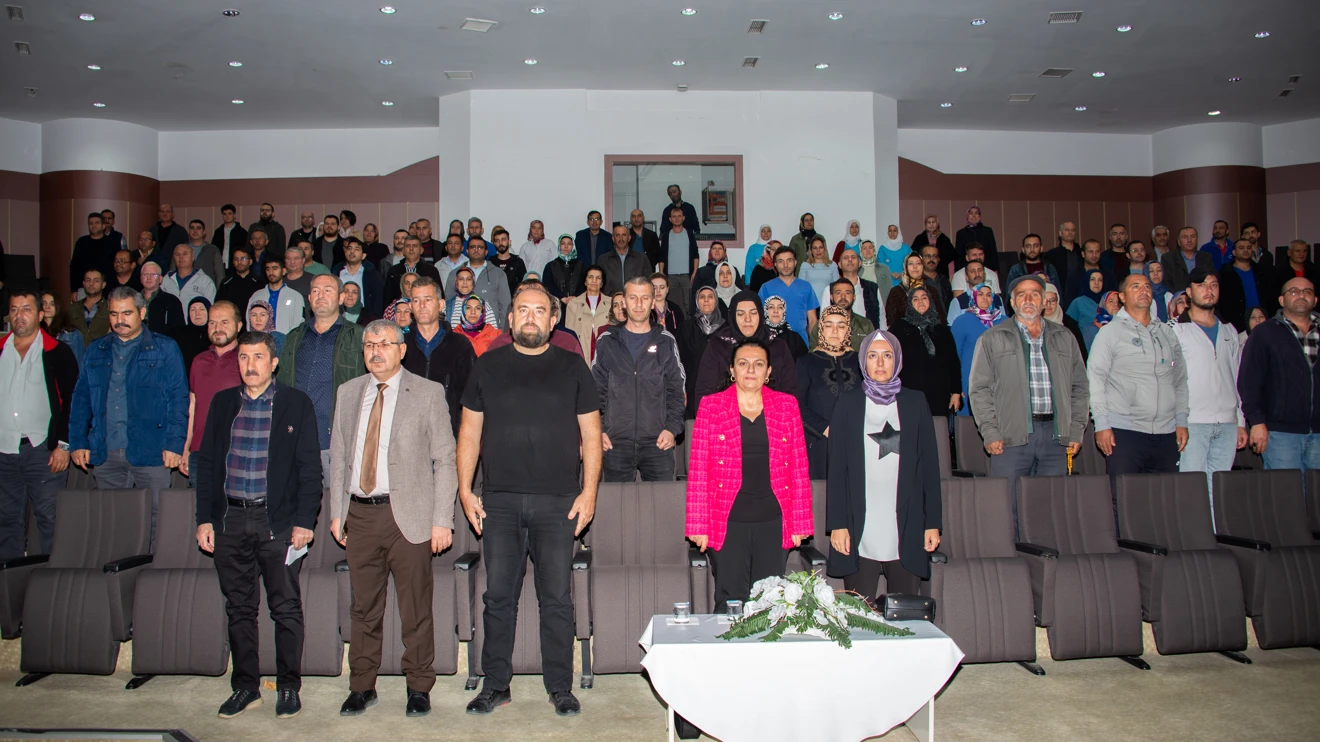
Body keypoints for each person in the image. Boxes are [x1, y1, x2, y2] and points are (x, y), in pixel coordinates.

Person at [457, 282, 601, 717]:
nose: (531, 317)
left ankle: (560, 687)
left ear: (553, 320)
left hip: (558, 503)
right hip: (498, 502)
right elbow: (469, 432)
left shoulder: (573, 367)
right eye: (523, 310)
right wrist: (464, 489)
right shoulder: (487, 365)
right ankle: (495, 685)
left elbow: (592, 434)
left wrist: (589, 492)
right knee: (498, 597)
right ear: (511, 316)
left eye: (540, 310)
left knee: (556, 598)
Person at [329, 320, 457, 719]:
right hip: (359, 515)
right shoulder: (348, 393)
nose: (376, 351)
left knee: (415, 608)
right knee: (363, 608)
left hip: (410, 517)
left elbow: (445, 459)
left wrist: (442, 518)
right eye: (370, 344)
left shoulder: (428, 392)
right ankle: (361, 686)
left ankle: (418, 687)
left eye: (385, 344)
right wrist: (337, 512)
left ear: (402, 350)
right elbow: (339, 456)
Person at [195, 330, 321, 720]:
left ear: (274, 362)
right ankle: (246, 687)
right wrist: (204, 519)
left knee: (285, 607)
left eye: (258, 357)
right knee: (239, 608)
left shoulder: (296, 404)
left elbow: (309, 469)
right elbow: (207, 465)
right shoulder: (222, 403)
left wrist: (304, 521)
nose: (250, 365)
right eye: (244, 357)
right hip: (230, 520)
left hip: (276, 523)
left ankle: (288, 686)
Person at [687, 337, 813, 604]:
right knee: (730, 601)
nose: (751, 370)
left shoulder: (787, 406)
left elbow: (799, 468)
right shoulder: (711, 407)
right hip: (727, 519)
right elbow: (698, 471)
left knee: (770, 602)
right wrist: (698, 525)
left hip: (774, 519)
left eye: (759, 364)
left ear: (769, 371)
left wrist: (801, 523)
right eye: (743, 363)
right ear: (732, 369)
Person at [826, 330, 942, 598]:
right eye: (872, 356)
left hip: (907, 523)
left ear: (897, 360)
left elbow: (929, 468)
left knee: (905, 612)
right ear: (863, 362)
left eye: (887, 356)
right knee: (859, 613)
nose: (880, 363)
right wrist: (838, 524)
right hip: (859, 523)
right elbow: (837, 470)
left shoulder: (915, 402)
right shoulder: (848, 403)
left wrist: (932, 523)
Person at [969, 275, 1088, 531]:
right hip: (1010, 436)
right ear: (1012, 302)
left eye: (1035, 294)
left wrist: (1076, 429)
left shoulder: (1065, 337)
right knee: (1006, 507)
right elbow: (979, 389)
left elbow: (1080, 387)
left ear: (1044, 301)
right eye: (1021, 294)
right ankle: (1010, 556)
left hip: (1056, 436)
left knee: (1049, 508)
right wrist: (990, 431)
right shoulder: (992, 338)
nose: (1028, 299)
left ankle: (1044, 554)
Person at [69, 287, 187, 539]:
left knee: (158, 521)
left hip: (152, 450)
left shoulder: (164, 348)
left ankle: (154, 565)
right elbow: (81, 399)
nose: (119, 320)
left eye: (126, 313)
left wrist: (175, 444)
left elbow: (178, 399)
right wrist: (78, 441)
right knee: (114, 524)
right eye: (114, 314)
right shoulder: (96, 349)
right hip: (106, 450)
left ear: (142, 313)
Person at [1089, 274, 1190, 501]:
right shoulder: (1110, 333)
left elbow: (1179, 378)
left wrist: (1181, 420)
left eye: (1147, 286)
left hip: (1166, 431)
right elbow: (1095, 379)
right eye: (1135, 287)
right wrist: (1102, 423)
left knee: (1164, 501)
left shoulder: (1166, 332)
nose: (1143, 290)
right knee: (1125, 500)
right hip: (1125, 430)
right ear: (1122, 297)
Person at [0, 290, 77, 559]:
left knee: (50, 519)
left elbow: (73, 401)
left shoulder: (58, 352)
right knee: (6, 521)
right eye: (14, 310)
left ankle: (52, 579)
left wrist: (64, 444)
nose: (19, 316)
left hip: (43, 451)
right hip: (4, 450)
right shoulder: (0, 350)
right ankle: (9, 580)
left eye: (26, 309)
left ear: (41, 314)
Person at [593, 277, 685, 482]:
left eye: (645, 298)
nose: (639, 304)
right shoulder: (607, 342)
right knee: (616, 503)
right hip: (615, 443)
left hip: (658, 442)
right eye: (633, 297)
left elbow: (677, 392)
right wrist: (599, 430)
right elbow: (595, 392)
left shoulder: (666, 341)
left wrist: (671, 429)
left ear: (653, 302)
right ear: (624, 302)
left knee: (661, 502)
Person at [277, 275, 367, 480]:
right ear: (309, 298)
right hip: (295, 440)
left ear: (341, 298)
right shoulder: (294, 337)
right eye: (316, 291)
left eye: (328, 290)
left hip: (336, 443)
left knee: (336, 499)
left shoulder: (359, 337)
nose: (321, 295)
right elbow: (281, 384)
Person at [1172, 269, 1246, 501]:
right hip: (1192, 422)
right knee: (1191, 490)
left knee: (1218, 492)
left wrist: (1240, 421)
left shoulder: (1229, 329)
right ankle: (1193, 528)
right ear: (1189, 292)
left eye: (1213, 285)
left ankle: (1213, 527)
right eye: (1202, 285)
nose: (1209, 290)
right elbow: (1169, 378)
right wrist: (1178, 420)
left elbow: (1237, 377)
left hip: (1227, 423)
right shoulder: (1175, 329)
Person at [1239, 277, 1320, 472]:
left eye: (1307, 292)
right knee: (1286, 490)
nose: (1301, 295)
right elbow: (1249, 381)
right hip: (1280, 434)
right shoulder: (1264, 333)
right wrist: (1256, 421)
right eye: (1294, 291)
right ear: (1282, 300)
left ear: (1315, 300)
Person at [402, 278, 476, 437]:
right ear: (411, 307)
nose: (422, 305)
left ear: (441, 304)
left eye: (428, 300)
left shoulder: (460, 345)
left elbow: (470, 397)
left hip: (447, 434)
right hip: (407, 434)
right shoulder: (401, 345)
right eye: (416, 300)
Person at [695, 290, 799, 402]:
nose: (747, 319)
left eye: (753, 313)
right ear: (733, 317)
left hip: (774, 410)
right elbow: (704, 393)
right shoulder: (718, 346)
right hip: (724, 411)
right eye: (740, 314)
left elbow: (790, 392)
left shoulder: (778, 347)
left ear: (761, 314)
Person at [180, 300, 242, 485]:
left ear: (238, 326)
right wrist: (186, 447)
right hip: (200, 453)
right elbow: (192, 406)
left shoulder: (247, 360)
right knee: (201, 504)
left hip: (236, 453)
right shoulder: (198, 361)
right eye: (212, 323)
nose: (217, 328)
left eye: (224, 322)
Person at [796, 305, 860, 478]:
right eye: (829, 325)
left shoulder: (859, 362)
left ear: (848, 330)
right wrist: (825, 428)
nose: (835, 331)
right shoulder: (806, 362)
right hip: (819, 442)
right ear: (821, 329)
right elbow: (797, 405)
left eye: (841, 326)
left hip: (855, 440)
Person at [890, 287, 961, 418]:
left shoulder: (942, 330)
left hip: (939, 394)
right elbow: (891, 361)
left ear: (930, 301)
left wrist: (956, 392)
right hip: (908, 393)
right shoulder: (898, 328)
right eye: (915, 299)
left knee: (938, 429)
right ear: (910, 304)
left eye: (924, 297)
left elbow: (953, 362)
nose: (920, 301)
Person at [951, 284, 1005, 417]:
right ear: (973, 297)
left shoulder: (1004, 322)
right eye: (980, 294)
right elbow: (953, 357)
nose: (985, 298)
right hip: (969, 382)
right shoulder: (962, 321)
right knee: (968, 425)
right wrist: (956, 387)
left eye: (988, 295)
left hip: (999, 382)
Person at [678, 286, 725, 419]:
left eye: (710, 297)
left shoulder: (726, 329)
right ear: (696, 301)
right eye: (702, 297)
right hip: (692, 389)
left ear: (716, 301)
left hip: (720, 390)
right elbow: (679, 361)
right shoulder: (686, 328)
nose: (706, 300)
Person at [758, 246, 819, 344]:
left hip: (801, 341)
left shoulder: (806, 286)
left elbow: (812, 319)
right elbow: (760, 318)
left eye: (789, 260)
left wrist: (814, 344)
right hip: (774, 341)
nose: (785, 265)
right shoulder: (766, 288)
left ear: (795, 262)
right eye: (781, 261)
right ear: (775, 264)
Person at [446, 238, 510, 330]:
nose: (476, 250)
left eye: (480, 247)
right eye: (472, 247)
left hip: (489, 331)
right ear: (467, 251)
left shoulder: (498, 274)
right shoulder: (455, 274)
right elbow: (448, 303)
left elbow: (505, 306)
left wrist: (502, 331)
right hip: (459, 332)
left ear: (486, 252)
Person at [1218, 238, 1275, 334]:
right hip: (1235, 325)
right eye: (1241, 248)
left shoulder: (1261, 272)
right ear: (1234, 252)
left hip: (1261, 322)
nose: (1245, 250)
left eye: (1248, 248)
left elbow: (1270, 297)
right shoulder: (1225, 273)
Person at [808, 279, 875, 352]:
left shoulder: (865, 325)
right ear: (831, 297)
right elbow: (813, 354)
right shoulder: (821, 325)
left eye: (848, 293)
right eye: (838, 293)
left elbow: (873, 352)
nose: (843, 297)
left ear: (854, 297)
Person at [564, 266, 610, 364]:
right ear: (585, 282)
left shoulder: (611, 304)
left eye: (598, 278)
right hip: (581, 354)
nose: (594, 280)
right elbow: (569, 336)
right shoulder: (573, 305)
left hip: (605, 353)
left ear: (602, 283)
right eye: (590, 277)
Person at [248, 260, 307, 335]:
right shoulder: (257, 296)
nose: (271, 272)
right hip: (260, 340)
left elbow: (299, 324)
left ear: (283, 271)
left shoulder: (295, 296)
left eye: (275, 268)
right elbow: (249, 322)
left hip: (286, 340)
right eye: (268, 269)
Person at [658, 208, 699, 311]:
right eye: (674, 216)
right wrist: (661, 273)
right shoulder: (666, 236)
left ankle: (688, 321)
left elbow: (695, 255)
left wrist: (695, 272)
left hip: (687, 276)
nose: (677, 219)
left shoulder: (689, 234)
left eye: (679, 216)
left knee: (689, 304)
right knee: (671, 303)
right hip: (670, 277)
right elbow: (662, 256)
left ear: (683, 218)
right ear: (670, 219)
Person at [384, 236, 443, 305]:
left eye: (415, 246)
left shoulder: (431, 270)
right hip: (399, 309)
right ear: (403, 251)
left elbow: (439, 296)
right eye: (408, 246)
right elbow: (387, 298)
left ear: (421, 250)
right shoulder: (394, 271)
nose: (411, 249)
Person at [334, 237, 385, 317]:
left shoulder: (372, 274)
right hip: (339, 316)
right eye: (349, 248)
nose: (352, 251)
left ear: (363, 256)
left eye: (356, 249)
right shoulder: (337, 273)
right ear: (345, 253)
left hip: (363, 318)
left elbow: (377, 302)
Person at [599, 224, 653, 295]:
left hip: (636, 298)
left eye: (624, 235)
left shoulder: (641, 258)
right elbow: (600, 282)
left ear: (629, 238)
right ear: (613, 238)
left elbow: (648, 281)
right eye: (617, 235)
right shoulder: (603, 259)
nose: (621, 238)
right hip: (610, 299)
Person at [1161, 227, 1216, 293]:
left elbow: (1212, 279)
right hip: (1178, 297)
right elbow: (1167, 283)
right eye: (1185, 237)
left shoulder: (1206, 257)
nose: (1189, 240)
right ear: (1179, 242)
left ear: (1197, 240)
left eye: (1193, 237)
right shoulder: (1168, 258)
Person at [839, 249, 886, 326]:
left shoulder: (873, 288)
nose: (850, 260)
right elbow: (824, 318)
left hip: (870, 332)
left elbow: (882, 316)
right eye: (846, 258)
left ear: (860, 263)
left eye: (853, 257)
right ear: (839, 264)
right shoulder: (830, 289)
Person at [162, 242, 218, 308]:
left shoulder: (205, 281)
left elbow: (210, 307)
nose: (181, 257)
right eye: (177, 254)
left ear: (192, 257)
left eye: (185, 254)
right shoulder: (166, 279)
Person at [1064, 239, 1113, 308]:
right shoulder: (1074, 276)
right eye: (1090, 252)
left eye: (1097, 252)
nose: (1094, 255)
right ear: (1083, 254)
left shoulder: (1108, 275)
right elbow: (1069, 303)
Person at [1045, 283, 1087, 361]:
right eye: (1044, 300)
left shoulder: (1069, 325)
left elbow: (1080, 355)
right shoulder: (1032, 323)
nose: (1048, 304)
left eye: (1052, 300)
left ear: (1058, 300)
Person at [67, 269, 110, 344]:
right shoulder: (73, 309)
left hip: (101, 350)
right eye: (88, 280)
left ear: (103, 284)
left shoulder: (109, 308)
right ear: (84, 283)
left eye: (96, 281)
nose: (91, 284)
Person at [544, 234, 588, 303]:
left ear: (573, 246)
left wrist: (575, 296)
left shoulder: (581, 265)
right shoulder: (550, 266)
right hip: (556, 303)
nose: (566, 246)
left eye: (569, 244)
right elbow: (548, 285)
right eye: (563, 244)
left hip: (577, 302)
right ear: (559, 246)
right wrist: (561, 297)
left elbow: (586, 284)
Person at [946, 259, 993, 324]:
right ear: (967, 277)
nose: (977, 274)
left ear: (985, 275)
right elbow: (953, 327)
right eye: (972, 271)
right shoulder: (958, 302)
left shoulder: (996, 299)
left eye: (980, 270)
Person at [763, 295, 810, 360]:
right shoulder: (758, 335)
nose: (776, 311)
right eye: (771, 307)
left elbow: (803, 363)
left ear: (784, 311)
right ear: (766, 311)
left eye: (780, 307)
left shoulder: (795, 338)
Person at [799, 236, 840, 310]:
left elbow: (837, 287)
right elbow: (801, 288)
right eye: (815, 248)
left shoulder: (832, 265)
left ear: (824, 249)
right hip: (810, 306)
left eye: (820, 247)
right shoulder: (805, 265)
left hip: (828, 305)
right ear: (811, 251)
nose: (818, 251)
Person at [217, 246, 263, 312]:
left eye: (243, 259)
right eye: (236, 259)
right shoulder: (226, 283)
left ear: (250, 261)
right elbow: (219, 305)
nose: (239, 262)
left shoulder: (259, 283)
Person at [176, 297, 214, 373]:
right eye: (193, 310)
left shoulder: (215, 333)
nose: (197, 314)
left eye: (201, 309)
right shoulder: (179, 335)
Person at [183, 219, 226, 285]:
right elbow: (172, 272)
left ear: (204, 232)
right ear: (188, 231)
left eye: (198, 228)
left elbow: (220, 275)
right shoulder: (181, 249)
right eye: (192, 228)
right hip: (184, 287)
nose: (195, 231)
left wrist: (219, 290)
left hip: (207, 288)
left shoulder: (213, 250)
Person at [488, 226, 528, 295]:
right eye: (497, 240)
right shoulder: (490, 262)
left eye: (503, 239)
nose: (500, 243)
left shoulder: (518, 262)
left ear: (509, 242)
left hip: (513, 299)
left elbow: (524, 285)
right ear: (494, 243)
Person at [955, 206, 998, 270]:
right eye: (971, 213)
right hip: (967, 268)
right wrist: (958, 271)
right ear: (967, 216)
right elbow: (959, 255)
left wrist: (996, 269)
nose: (974, 215)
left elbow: (993, 252)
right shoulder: (961, 233)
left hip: (986, 267)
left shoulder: (987, 231)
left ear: (980, 216)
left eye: (976, 213)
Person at [918, 245, 954, 317]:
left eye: (934, 256)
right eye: (927, 256)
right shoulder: (916, 280)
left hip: (945, 321)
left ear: (938, 259)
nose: (931, 260)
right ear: (921, 259)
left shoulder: (943, 279)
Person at [1046, 221, 1082, 292]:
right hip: (1061, 291)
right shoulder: (1052, 254)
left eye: (1073, 230)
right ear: (1060, 233)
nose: (1070, 232)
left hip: (1080, 291)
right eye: (1067, 230)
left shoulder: (1081, 253)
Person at [212, 204, 248, 268]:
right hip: (220, 265)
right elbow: (214, 249)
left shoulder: (242, 232)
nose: (227, 216)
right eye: (225, 214)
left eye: (230, 214)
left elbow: (245, 249)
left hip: (236, 265)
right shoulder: (218, 232)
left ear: (234, 215)